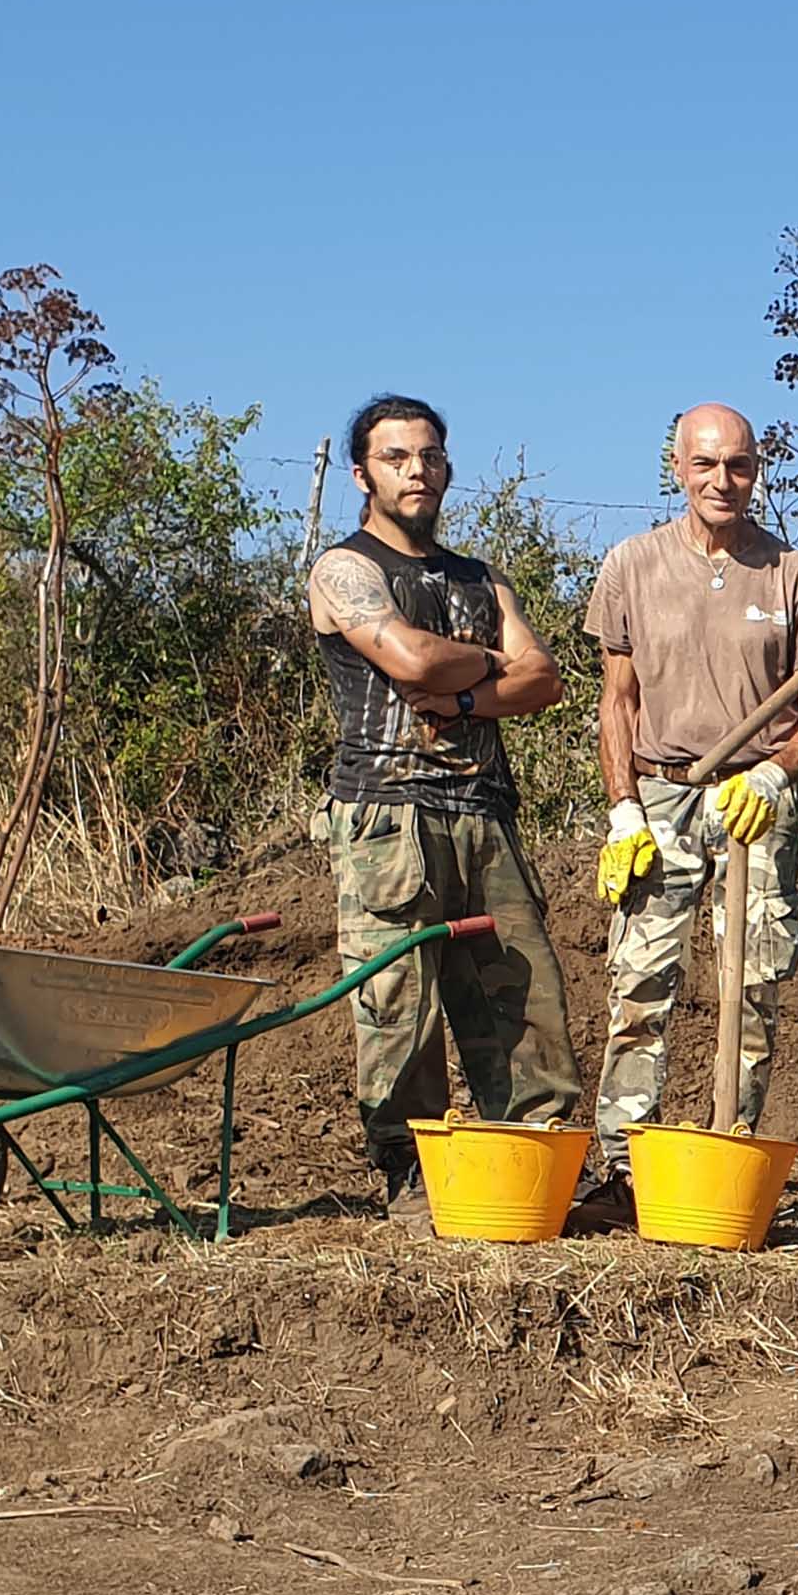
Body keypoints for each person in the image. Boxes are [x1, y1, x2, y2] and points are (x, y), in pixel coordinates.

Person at [306, 393, 581, 1229]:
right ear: (364, 473)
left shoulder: (479, 577)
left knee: (523, 997)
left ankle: (534, 1166)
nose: (416, 470)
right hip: (389, 818)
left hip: (483, 810)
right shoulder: (343, 569)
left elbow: (548, 680)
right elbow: (410, 656)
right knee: (400, 1008)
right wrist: (495, 661)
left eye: (429, 455)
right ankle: (412, 1180)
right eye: (396, 457)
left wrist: (464, 699)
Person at [574, 404, 798, 1225]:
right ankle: (624, 1171)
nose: (723, 480)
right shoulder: (633, 564)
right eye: (706, 464)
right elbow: (616, 701)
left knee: (752, 981)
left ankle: (729, 1146)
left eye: (740, 465)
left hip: (753, 802)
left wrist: (772, 775)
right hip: (660, 794)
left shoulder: (793, 574)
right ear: (678, 469)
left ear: (758, 471)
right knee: (641, 980)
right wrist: (624, 808)